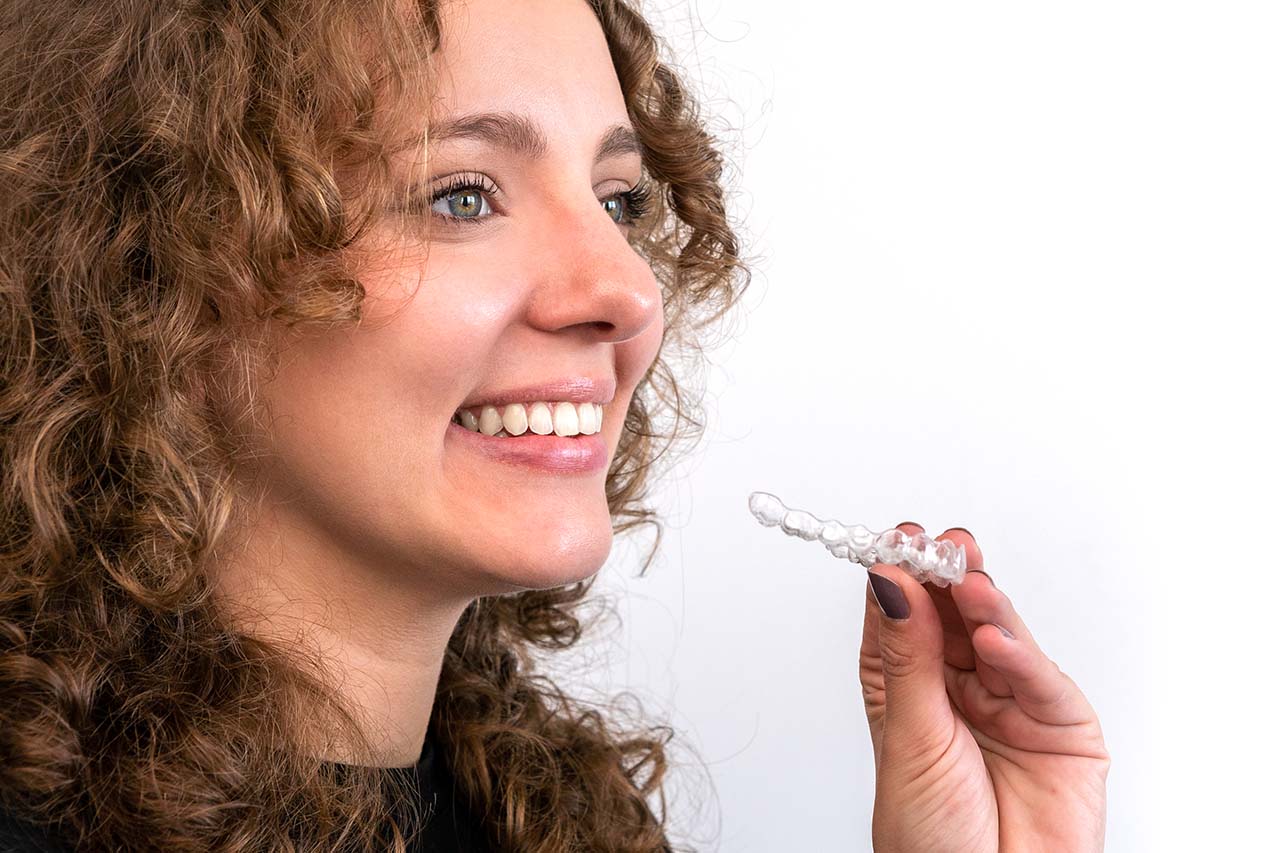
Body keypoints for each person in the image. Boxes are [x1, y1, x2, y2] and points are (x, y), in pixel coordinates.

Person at [0, 0, 1109, 850]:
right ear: (149, 275)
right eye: (462, 196)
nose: (625, 288)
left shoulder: (559, 823)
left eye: (618, 199)